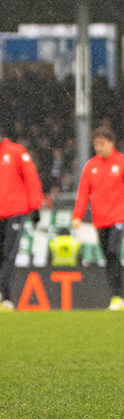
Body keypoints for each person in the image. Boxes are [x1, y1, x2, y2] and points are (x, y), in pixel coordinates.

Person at [71, 126, 124, 311]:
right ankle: (116, 297)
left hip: (120, 216)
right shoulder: (91, 166)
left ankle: (117, 296)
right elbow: (83, 193)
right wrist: (77, 215)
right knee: (108, 256)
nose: (99, 147)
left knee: (113, 251)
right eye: (96, 144)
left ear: (112, 143)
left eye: (102, 144)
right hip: (100, 219)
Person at [0, 132, 44, 311]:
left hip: (14, 212)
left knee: (8, 254)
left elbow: (31, 178)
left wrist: (35, 206)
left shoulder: (16, 152)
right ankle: (5, 296)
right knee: (4, 255)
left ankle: (3, 295)